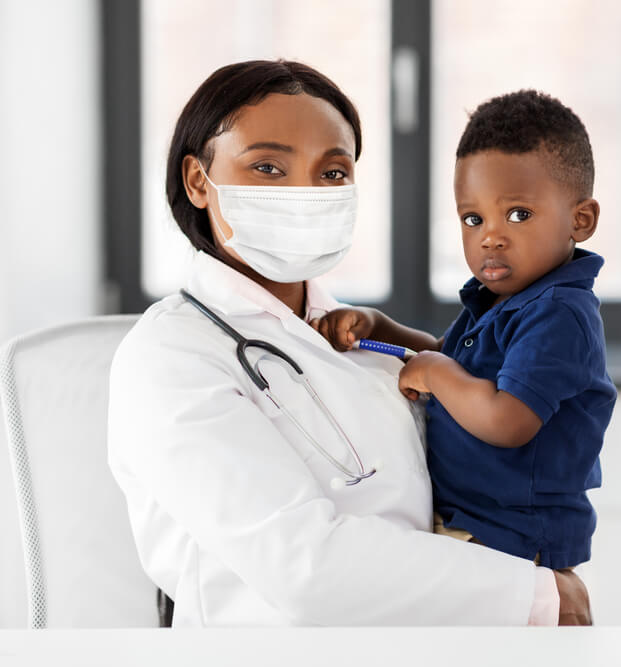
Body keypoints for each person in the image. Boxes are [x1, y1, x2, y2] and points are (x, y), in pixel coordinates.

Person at [108, 60, 590, 627]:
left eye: (332, 173)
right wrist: (536, 597)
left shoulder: (352, 337)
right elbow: (303, 566)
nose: (305, 194)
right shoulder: (170, 356)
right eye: (268, 167)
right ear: (197, 181)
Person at [313, 90, 616, 574]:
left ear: (580, 220)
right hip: (475, 527)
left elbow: (507, 419)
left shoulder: (559, 313)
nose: (490, 236)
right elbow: (452, 362)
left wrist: (433, 374)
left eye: (518, 214)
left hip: (515, 542)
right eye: (472, 219)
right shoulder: (500, 299)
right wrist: (379, 325)